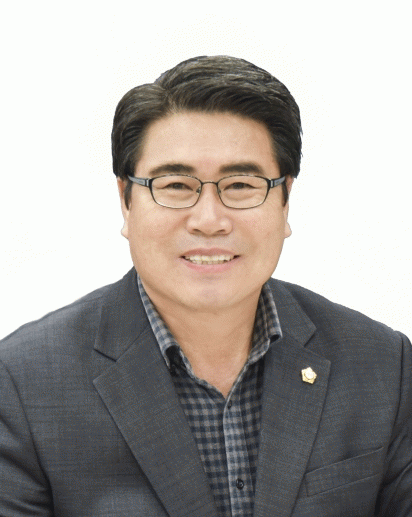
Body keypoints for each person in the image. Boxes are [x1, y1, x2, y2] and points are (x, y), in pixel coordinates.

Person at [0, 56, 411, 517]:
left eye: (240, 185)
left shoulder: (383, 366)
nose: (210, 220)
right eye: (176, 185)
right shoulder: (22, 386)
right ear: (125, 201)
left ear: (285, 201)